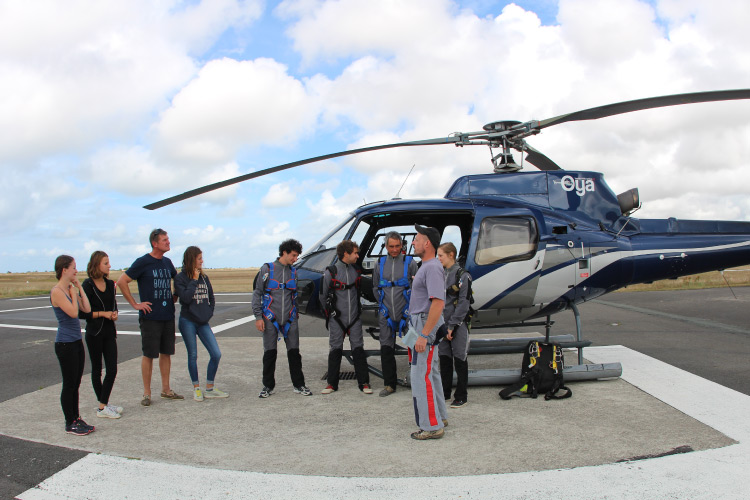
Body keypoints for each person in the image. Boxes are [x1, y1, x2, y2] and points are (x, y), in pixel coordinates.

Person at [116, 228, 183, 406]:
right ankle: (147, 393)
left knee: (166, 352)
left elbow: (178, 281)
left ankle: (166, 389)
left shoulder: (168, 263)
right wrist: (135, 304)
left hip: (167, 315)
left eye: (168, 239)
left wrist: (175, 295)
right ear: (155, 243)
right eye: (164, 240)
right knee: (149, 354)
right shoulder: (143, 262)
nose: (168, 242)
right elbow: (122, 281)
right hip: (150, 317)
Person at [252, 239, 312, 398]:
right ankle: (267, 386)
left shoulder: (294, 272)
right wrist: (258, 317)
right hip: (270, 318)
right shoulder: (267, 269)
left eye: (297, 256)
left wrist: (296, 311)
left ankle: (299, 385)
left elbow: (295, 295)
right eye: (293, 255)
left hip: (290, 319)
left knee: (294, 353)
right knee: (270, 353)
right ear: (284, 253)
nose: (295, 259)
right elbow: (257, 293)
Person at [408, 224, 449, 440]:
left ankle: (431, 426)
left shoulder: (432, 267)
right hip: (420, 322)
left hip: (424, 324)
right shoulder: (427, 266)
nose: (413, 242)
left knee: (420, 376)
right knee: (431, 373)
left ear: (427, 243)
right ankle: (440, 416)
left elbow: (438, 303)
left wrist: (423, 335)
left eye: (417, 238)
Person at [174, 246, 228, 401]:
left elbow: (211, 296)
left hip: (203, 321)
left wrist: (209, 312)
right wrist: (193, 280)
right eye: (199, 258)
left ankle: (210, 388)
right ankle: (196, 388)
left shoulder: (205, 278)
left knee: (216, 354)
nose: (202, 261)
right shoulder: (180, 278)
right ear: (192, 260)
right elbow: (185, 297)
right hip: (188, 321)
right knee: (193, 355)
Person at [320, 240, 372, 394]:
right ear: (346, 254)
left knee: (358, 350)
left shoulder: (356, 271)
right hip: (337, 318)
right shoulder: (331, 272)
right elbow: (322, 296)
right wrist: (330, 315)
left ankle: (364, 384)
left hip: (354, 318)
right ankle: (331, 384)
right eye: (355, 253)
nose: (357, 256)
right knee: (335, 349)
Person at [50, 255, 94, 435]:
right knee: (69, 384)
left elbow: (88, 309)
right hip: (65, 343)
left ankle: (76, 418)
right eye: (74, 268)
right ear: (64, 269)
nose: (76, 271)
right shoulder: (57, 291)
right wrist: (72, 293)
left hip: (76, 341)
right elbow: (74, 312)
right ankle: (70, 422)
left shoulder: (70, 290)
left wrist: (78, 289)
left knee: (76, 383)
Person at [372, 231, 418, 397]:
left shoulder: (410, 262)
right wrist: (382, 305)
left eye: (397, 246)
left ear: (402, 245)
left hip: (407, 313)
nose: (394, 249)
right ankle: (390, 384)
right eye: (391, 246)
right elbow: (375, 287)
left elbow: (418, 286)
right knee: (386, 348)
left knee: (414, 347)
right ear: (385, 246)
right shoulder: (379, 264)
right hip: (386, 314)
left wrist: (410, 308)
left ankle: (418, 381)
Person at [79, 251, 123, 419]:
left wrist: (114, 314)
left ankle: (103, 404)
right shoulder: (87, 285)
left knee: (112, 369)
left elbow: (114, 306)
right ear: (97, 265)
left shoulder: (111, 284)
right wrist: (103, 314)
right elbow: (82, 313)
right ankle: (102, 406)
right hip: (94, 333)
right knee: (97, 370)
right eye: (106, 263)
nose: (109, 266)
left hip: (109, 332)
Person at [437, 242, 471, 409]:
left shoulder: (463, 276)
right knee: (444, 359)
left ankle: (461, 395)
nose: (438, 258)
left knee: (459, 358)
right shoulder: (441, 274)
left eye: (441, 255)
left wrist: (452, 326)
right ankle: (444, 391)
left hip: (458, 325)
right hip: (442, 325)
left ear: (451, 255)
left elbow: (464, 303)